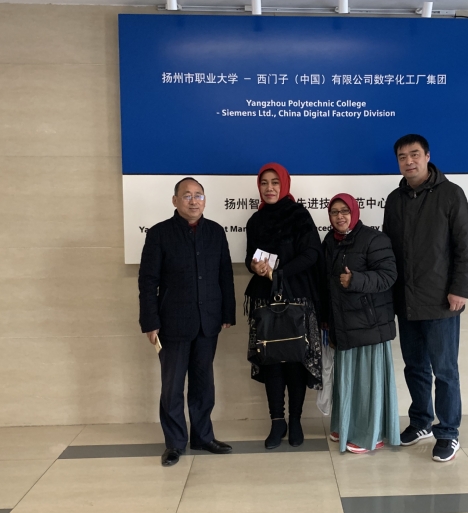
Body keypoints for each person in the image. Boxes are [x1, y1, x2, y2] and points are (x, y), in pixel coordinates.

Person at [382, 134, 468, 463]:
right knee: (415, 367)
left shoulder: (451, 194)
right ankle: (421, 421)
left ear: (427, 156)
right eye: (402, 157)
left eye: (414, 154)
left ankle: (448, 432)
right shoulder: (394, 200)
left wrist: (460, 289)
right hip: (406, 301)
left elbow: (465, 246)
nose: (409, 161)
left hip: (441, 301)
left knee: (445, 370)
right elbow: (388, 252)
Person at [138, 177, 236, 466]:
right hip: (172, 324)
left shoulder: (215, 232)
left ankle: (203, 437)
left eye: (198, 195)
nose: (194, 201)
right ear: (175, 200)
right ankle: (175, 443)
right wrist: (150, 321)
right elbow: (148, 281)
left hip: (208, 322)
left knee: (204, 384)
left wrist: (227, 313)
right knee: (172, 387)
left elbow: (225, 275)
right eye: (187, 195)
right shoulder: (159, 234)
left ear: (205, 200)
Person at [244, 163, 323, 450]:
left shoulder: (299, 215)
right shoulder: (255, 220)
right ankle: (277, 421)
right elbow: (249, 257)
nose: (269, 188)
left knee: (295, 360)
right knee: (272, 359)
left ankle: (296, 420)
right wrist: (255, 267)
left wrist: (278, 273)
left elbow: (311, 254)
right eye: (264, 182)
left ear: (285, 184)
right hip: (266, 299)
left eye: (275, 182)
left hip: (297, 298)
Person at [321, 194, 400, 454]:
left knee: (366, 383)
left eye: (345, 211)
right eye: (334, 212)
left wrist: (356, 280)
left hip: (369, 323)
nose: (340, 216)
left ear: (355, 211)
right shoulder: (330, 241)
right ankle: (345, 425)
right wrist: (326, 317)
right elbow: (326, 283)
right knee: (346, 379)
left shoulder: (374, 239)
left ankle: (371, 435)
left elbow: (388, 276)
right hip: (342, 323)